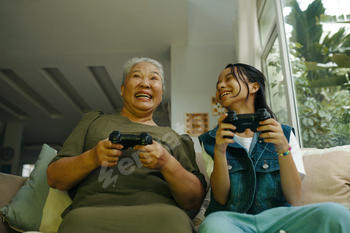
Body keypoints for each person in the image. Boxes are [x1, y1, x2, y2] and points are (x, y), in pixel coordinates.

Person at [47, 57, 206, 233]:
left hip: (160, 215)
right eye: (137, 76)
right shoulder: (94, 122)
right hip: (91, 213)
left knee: (175, 220)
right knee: (76, 222)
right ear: (122, 89)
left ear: (161, 94)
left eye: (153, 78)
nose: (145, 84)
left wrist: (167, 163)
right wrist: (92, 157)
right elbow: (55, 178)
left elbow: (193, 202)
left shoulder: (175, 138)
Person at [198, 63, 350, 233]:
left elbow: (293, 196)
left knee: (335, 213)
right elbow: (221, 197)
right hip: (232, 220)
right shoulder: (210, 140)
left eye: (229, 79)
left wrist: (283, 147)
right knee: (212, 225)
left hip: (279, 218)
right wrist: (220, 151)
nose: (220, 85)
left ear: (254, 86)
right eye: (218, 83)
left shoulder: (283, 133)